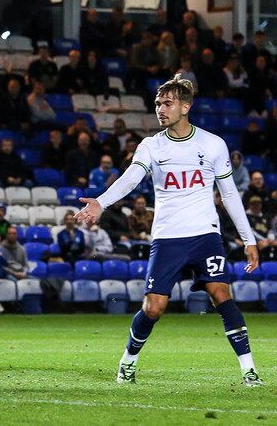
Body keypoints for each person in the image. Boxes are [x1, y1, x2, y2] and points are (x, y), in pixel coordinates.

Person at [75, 74, 263, 387]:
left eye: (168, 103)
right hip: (167, 237)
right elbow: (131, 178)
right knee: (154, 307)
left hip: (205, 235)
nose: (161, 109)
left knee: (221, 295)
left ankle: (249, 371)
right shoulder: (151, 145)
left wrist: (249, 240)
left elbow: (229, 195)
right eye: (158, 103)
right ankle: (128, 362)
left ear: (185, 107)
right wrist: (102, 203)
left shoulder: (213, 144)